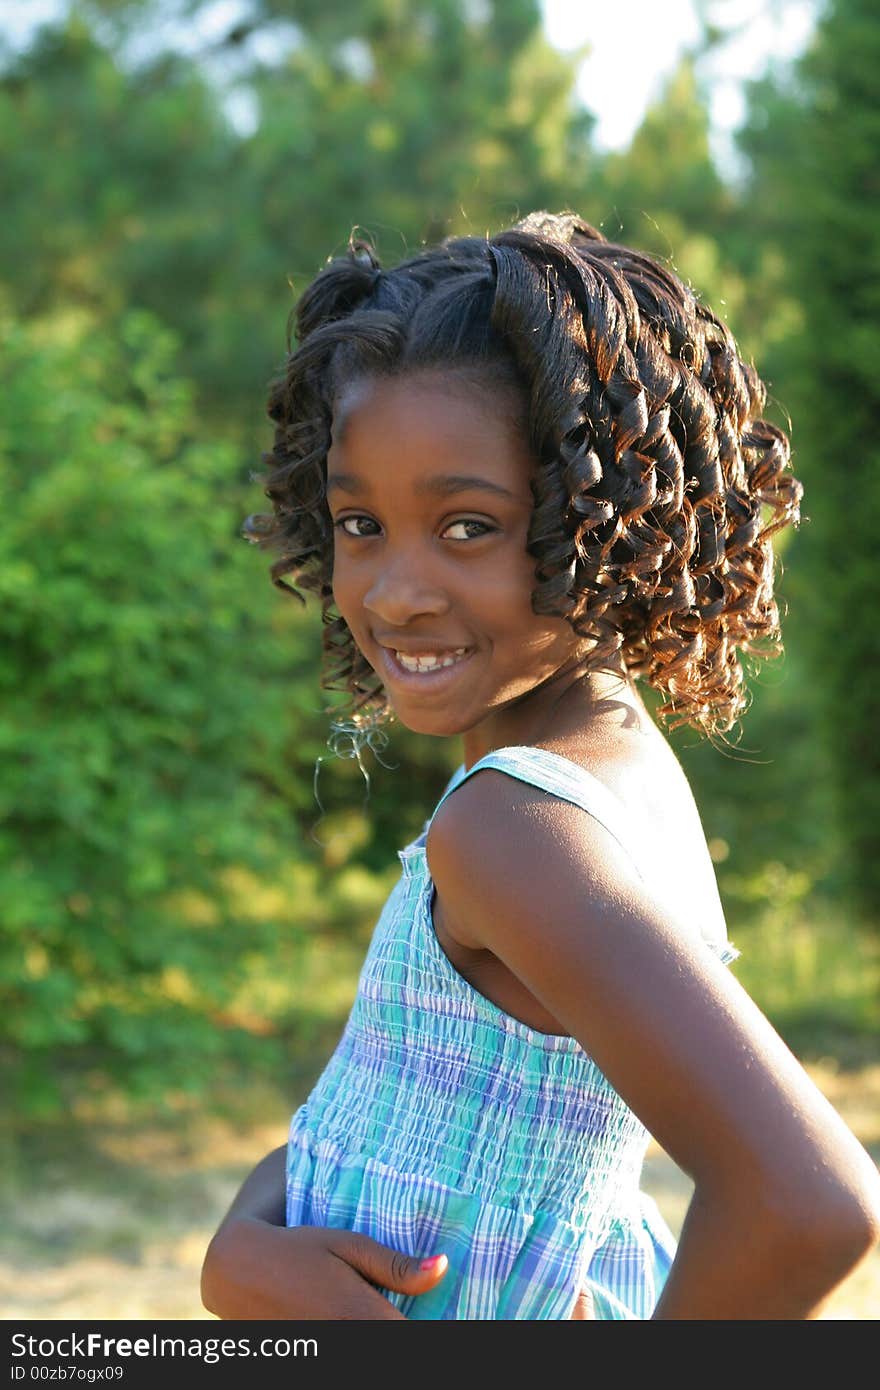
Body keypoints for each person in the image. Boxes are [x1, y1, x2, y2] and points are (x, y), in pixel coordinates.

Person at [201, 211, 880, 1320]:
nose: (393, 589)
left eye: (467, 526)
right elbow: (428, 1113)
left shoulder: (513, 826)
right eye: (361, 523)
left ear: (601, 522)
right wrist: (251, 1237)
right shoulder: (610, 768)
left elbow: (808, 1204)